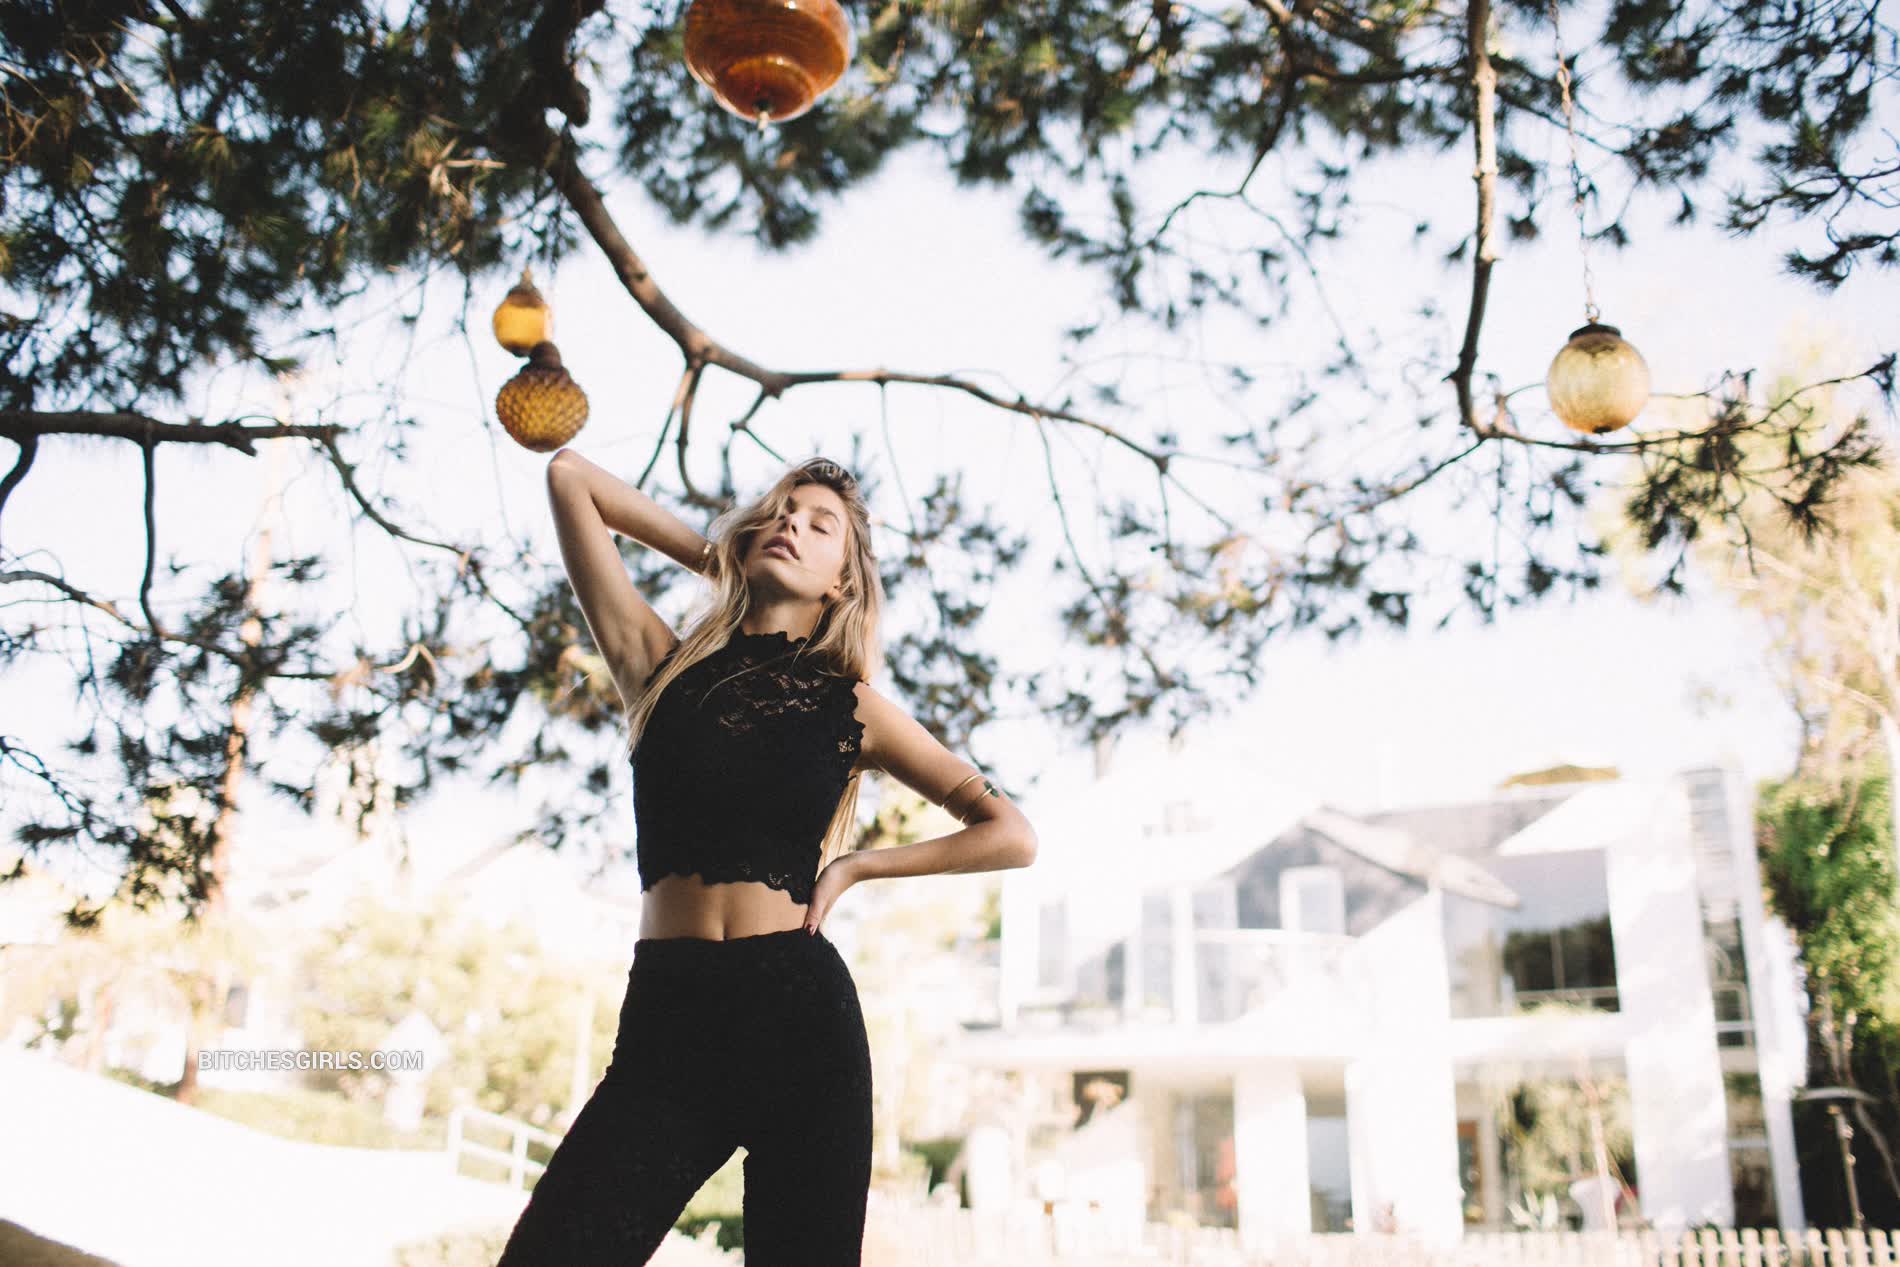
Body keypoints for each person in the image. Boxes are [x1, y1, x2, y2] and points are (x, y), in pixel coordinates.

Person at [495, 451, 1040, 1265]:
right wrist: (726, 562)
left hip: (800, 1021)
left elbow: (1009, 831)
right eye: (779, 512)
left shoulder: (852, 705)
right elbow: (571, 476)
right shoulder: (659, 666)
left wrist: (856, 866)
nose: (791, 523)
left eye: (820, 526)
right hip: (670, 1021)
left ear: (841, 584)